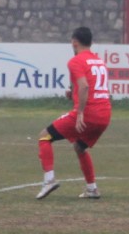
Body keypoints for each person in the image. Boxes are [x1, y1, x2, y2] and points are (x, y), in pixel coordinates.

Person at [36, 26, 112, 200]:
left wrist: (80, 113)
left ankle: (49, 180)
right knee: (80, 147)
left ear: (74, 42)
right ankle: (92, 189)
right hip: (105, 114)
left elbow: (85, 86)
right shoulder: (99, 61)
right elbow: (91, 87)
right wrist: (74, 94)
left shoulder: (76, 61)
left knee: (44, 136)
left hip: (89, 113)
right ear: (91, 42)